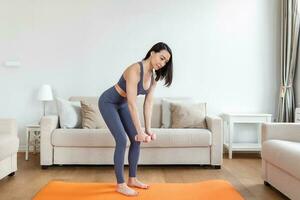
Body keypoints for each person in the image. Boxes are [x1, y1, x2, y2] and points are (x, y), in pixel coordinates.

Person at [98, 42, 173, 196]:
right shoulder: (135, 69)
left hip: (123, 104)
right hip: (108, 102)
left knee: (136, 140)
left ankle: (132, 179)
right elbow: (133, 103)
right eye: (162, 57)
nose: (162, 63)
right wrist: (139, 131)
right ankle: (120, 184)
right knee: (121, 140)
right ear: (152, 53)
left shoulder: (153, 78)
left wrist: (147, 130)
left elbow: (148, 103)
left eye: (165, 61)